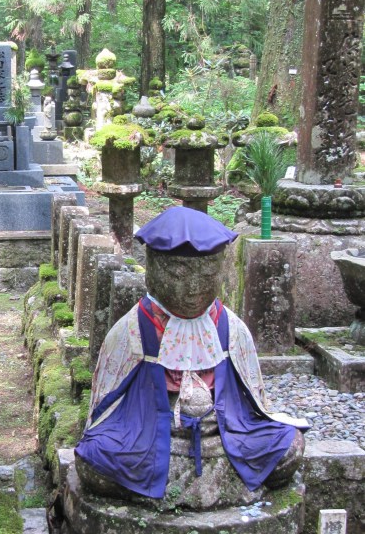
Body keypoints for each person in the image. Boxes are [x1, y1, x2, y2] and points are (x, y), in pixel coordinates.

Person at [75, 206, 307, 499]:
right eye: (179, 274)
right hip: (148, 433)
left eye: (207, 273)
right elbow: (107, 404)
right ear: (153, 269)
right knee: (94, 458)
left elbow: (254, 402)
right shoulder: (132, 330)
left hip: (223, 433)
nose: (193, 288)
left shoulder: (231, 328)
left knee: (289, 447)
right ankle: (196, 487)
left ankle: (161, 491)